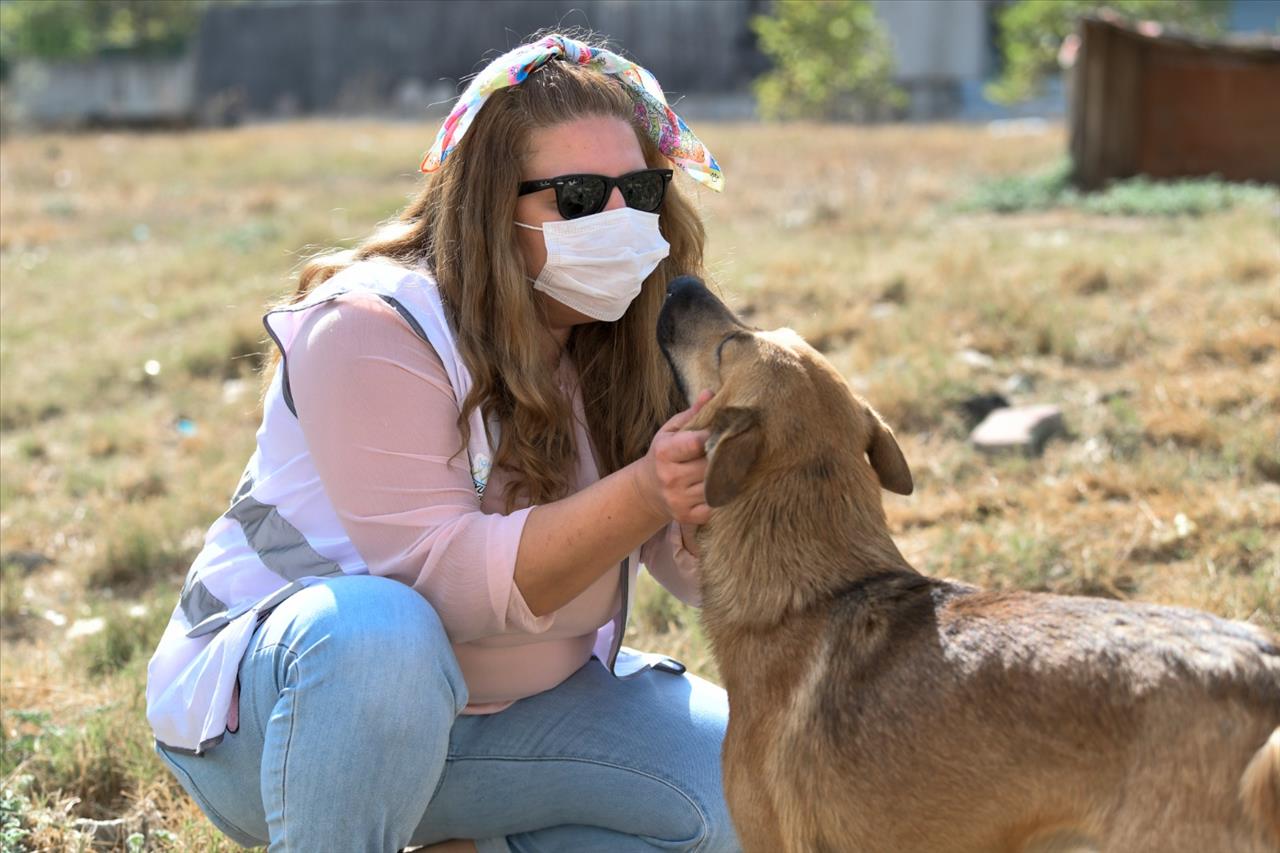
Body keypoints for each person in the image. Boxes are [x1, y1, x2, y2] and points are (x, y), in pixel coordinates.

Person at [145, 31, 742, 853]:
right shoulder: (371, 324)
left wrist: (729, 507)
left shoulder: (627, 331)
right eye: (575, 197)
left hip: (509, 724)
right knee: (377, 633)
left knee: (744, 792)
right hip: (292, 726)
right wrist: (645, 490)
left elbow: (690, 567)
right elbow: (445, 583)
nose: (618, 219)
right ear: (492, 206)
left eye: (638, 189)